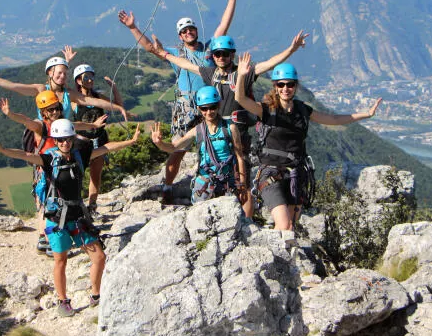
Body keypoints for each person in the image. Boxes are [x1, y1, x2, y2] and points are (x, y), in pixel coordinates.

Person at [0, 119, 141, 316]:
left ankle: (96, 295)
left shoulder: (80, 156)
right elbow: (25, 155)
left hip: (77, 215)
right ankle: (62, 301)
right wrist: (2, 150)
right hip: (56, 218)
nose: (64, 143)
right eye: (60, 140)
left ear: (72, 138)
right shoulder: (49, 160)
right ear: (55, 140)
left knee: (99, 257)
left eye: (67, 139)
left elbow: (106, 148)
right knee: (61, 260)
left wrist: (131, 141)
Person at [151, 31, 309, 217]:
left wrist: (292, 48)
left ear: (232, 55)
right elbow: (187, 64)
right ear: (213, 56)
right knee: (221, 174)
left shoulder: (243, 73)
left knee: (243, 181)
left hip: (238, 134)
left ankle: (245, 222)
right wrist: (165, 55)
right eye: (217, 54)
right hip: (215, 131)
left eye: (225, 53)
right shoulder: (211, 73)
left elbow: (270, 63)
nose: (221, 57)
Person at [118, 0, 242, 203]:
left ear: (196, 30)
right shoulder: (177, 54)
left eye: (191, 29)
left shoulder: (210, 50)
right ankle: (167, 187)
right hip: (187, 108)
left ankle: (223, 182)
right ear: (180, 36)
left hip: (209, 106)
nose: (188, 33)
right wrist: (133, 27)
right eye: (184, 31)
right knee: (178, 149)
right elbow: (150, 48)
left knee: (222, 144)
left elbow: (224, 26)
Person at [234, 54, 382, 231]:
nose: (285, 88)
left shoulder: (303, 110)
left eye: (290, 84)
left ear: (295, 86)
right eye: (281, 84)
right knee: (284, 225)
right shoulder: (267, 110)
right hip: (270, 174)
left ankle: (284, 256)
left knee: (292, 226)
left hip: (295, 174)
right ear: (275, 86)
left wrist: (365, 114)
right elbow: (241, 99)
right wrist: (242, 75)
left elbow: (333, 119)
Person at [0, 91, 107, 254]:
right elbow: (26, 121)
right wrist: (10, 114)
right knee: (44, 205)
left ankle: (50, 239)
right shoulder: (41, 126)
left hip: (59, 166)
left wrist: (94, 126)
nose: (54, 112)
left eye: (56, 108)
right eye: (50, 110)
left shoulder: (63, 124)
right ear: (43, 113)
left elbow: (76, 125)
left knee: (55, 202)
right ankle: (47, 240)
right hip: (44, 168)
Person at [0, 47, 129, 122]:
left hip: (65, 136)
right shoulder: (40, 89)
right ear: (49, 74)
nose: (63, 76)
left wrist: (118, 107)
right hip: (45, 135)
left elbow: (94, 101)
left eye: (65, 74)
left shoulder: (69, 93)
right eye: (59, 73)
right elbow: (14, 86)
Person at [150, 86, 247, 207]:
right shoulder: (197, 130)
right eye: (204, 108)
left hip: (227, 180)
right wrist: (160, 143)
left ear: (218, 105)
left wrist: (242, 184)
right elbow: (174, 147)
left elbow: (239, 157)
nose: (209, 112)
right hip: (205, 181)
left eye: (212, 107)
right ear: (199, 109)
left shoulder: (230, 128)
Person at [70, 64, 122, 212]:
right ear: (78, 81)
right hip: (81, 143)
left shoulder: (99, 97)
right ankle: (76, 207)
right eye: (85, 77)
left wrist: (114, 88)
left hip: (99, 140)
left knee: (95, 176)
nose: (90, 80)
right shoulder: (75, 100)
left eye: (91, 76)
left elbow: (117, 105)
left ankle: (92, 206)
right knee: (76, 177)